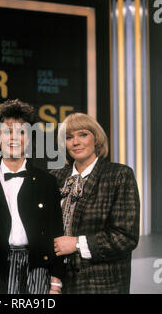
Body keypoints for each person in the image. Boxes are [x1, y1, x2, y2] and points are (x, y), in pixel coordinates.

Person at [0, 99, 64, 294]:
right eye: (7, 131)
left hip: (38, 270)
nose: (14, 138)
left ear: (29, 139)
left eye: (21, 132)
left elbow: (57, 234)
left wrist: (56, 284)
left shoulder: (47, 182)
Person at [51, 112, 140, 294]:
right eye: (69, 137)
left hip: (102, 285)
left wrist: (76, 243)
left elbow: (125, 237)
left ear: (96, 139)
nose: (75, 142)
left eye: (83, 134)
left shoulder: (118, 175)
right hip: (56, 284)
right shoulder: (55, 177)